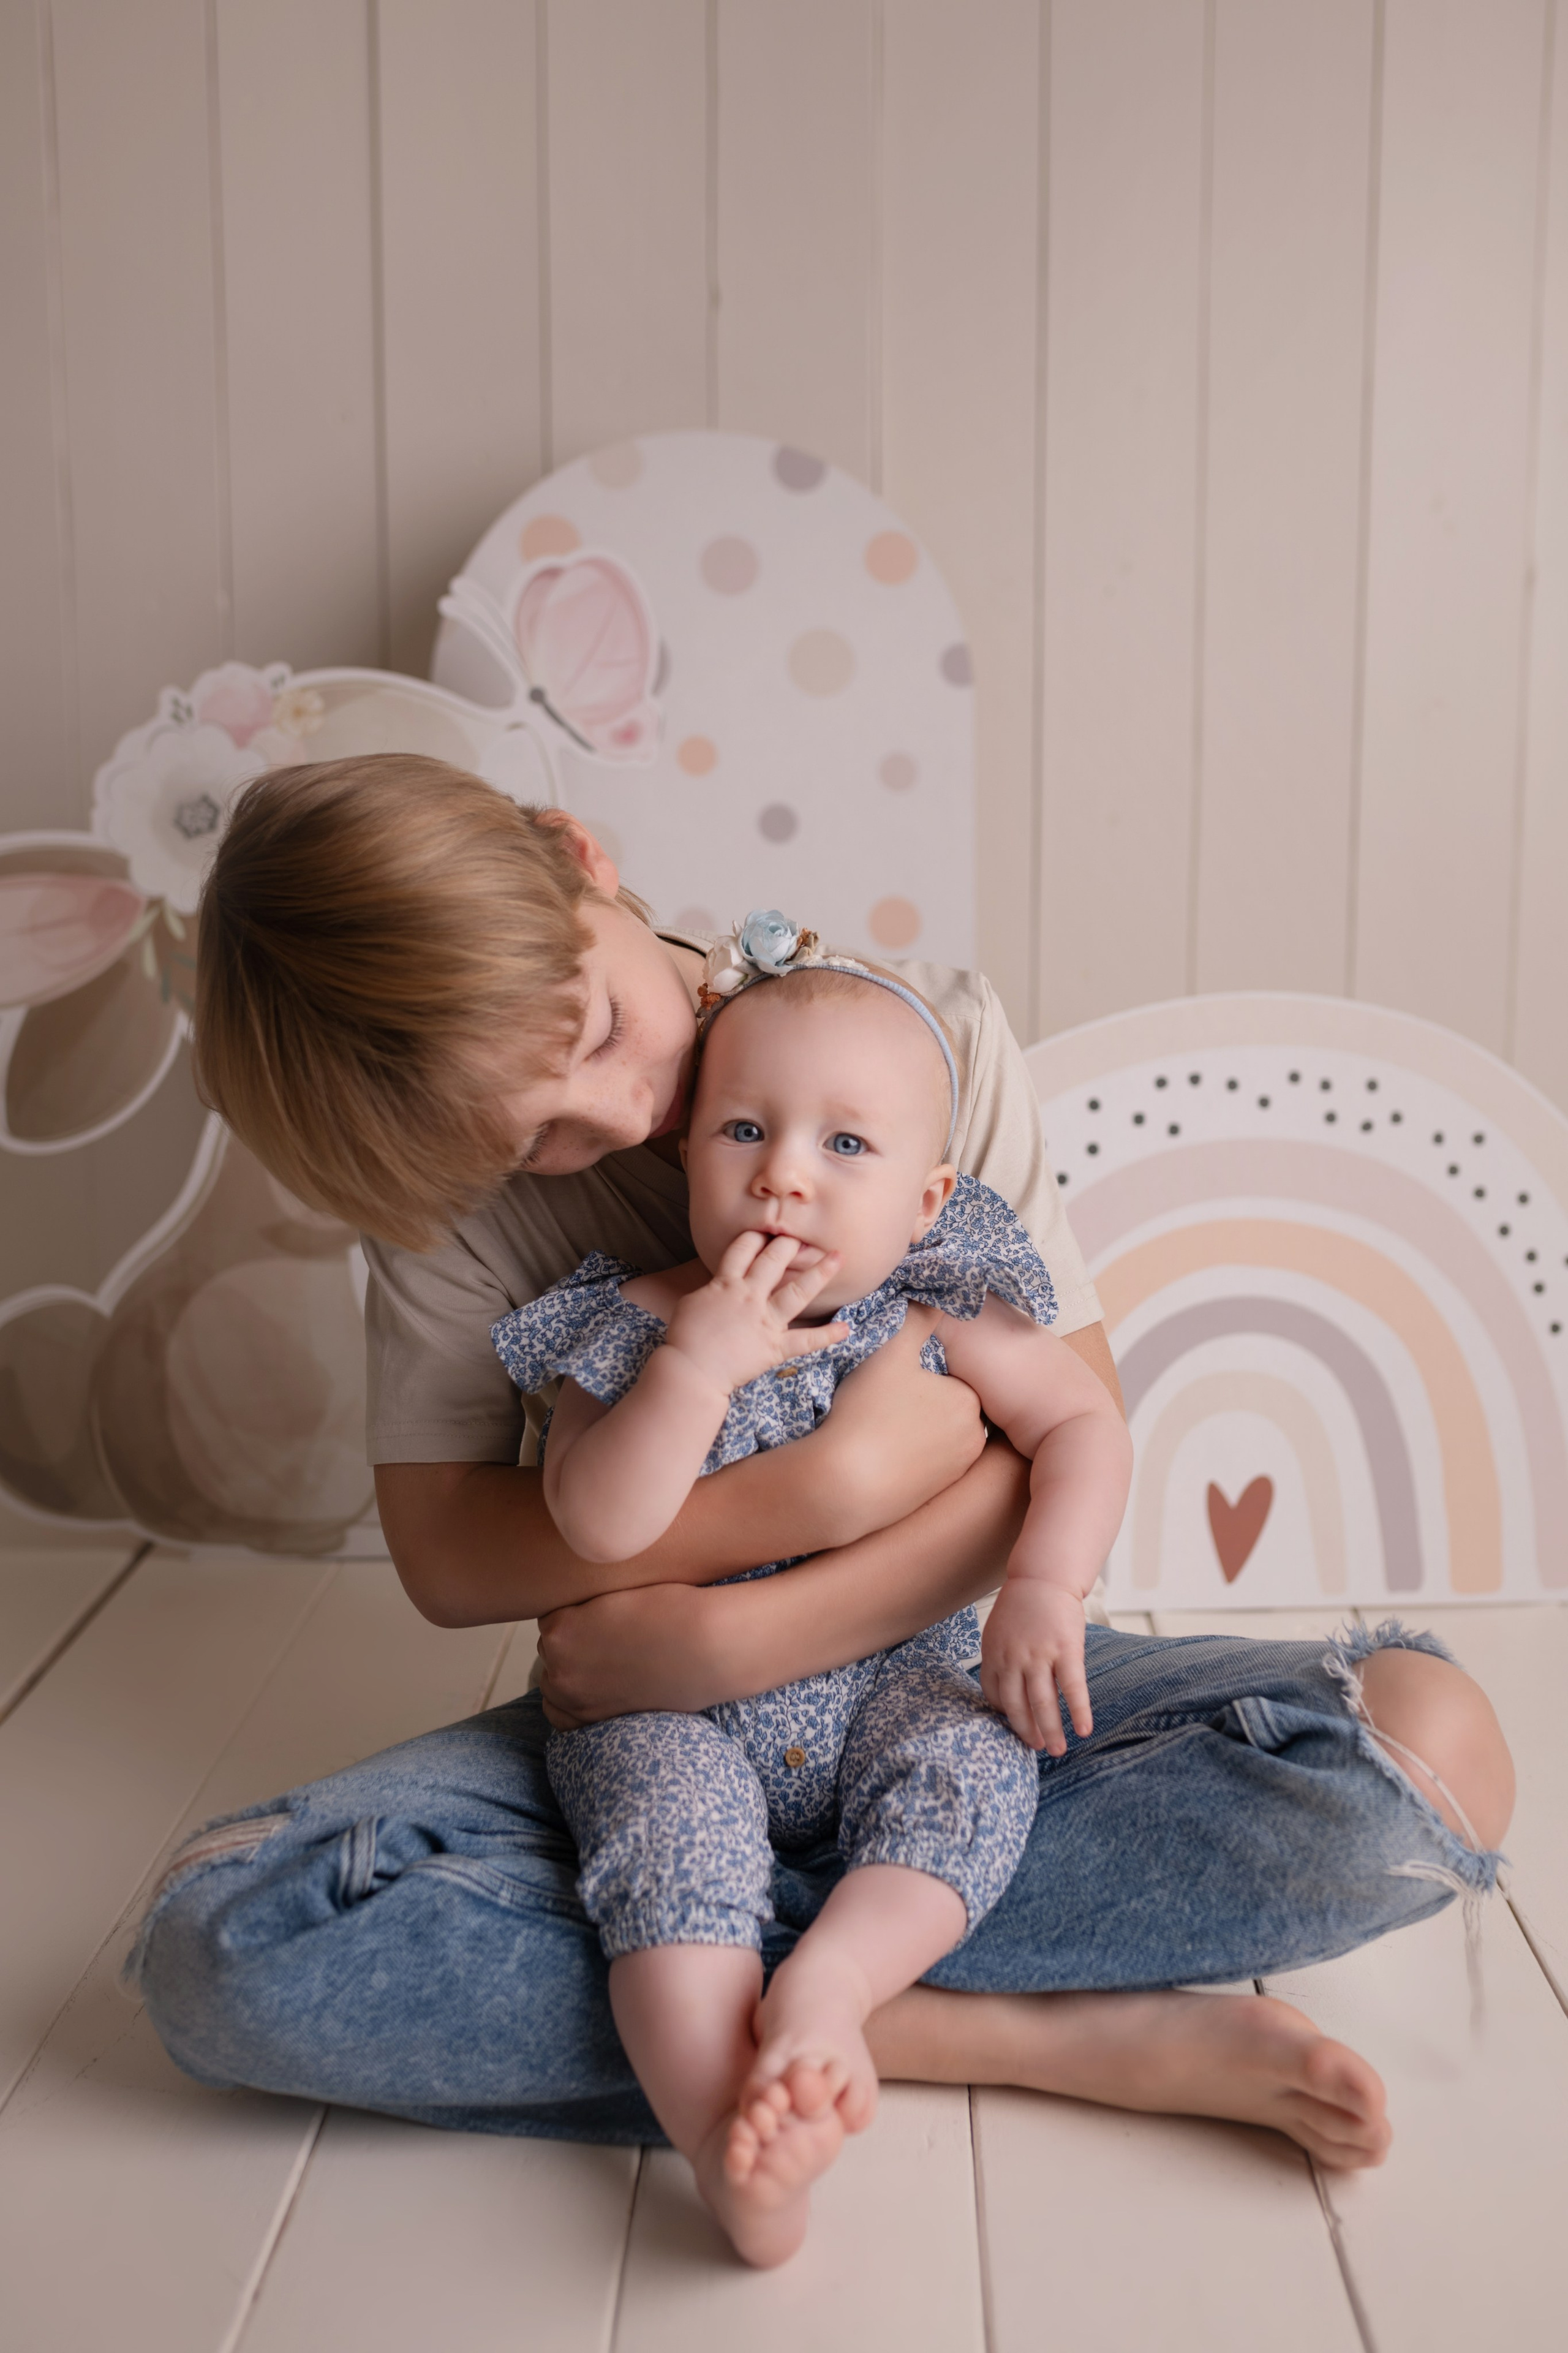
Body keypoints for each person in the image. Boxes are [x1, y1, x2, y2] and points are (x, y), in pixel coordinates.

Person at [132, 756, 1515, 2182]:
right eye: (532, 1137)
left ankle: (714, 1974)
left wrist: (753, 1613)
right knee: (229, 1952)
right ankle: (1000, 2029)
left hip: (921, 1677)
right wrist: (790, 1501)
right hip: (644, 1747)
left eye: (602, 1028)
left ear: (578, 855)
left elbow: (1072, 1419)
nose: (611, 1118)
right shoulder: (455, 1197)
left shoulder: (920, 1050)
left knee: (1425, 1749)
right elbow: (450, 1554)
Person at [495, 942, 1132, 2264]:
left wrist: (1043, 1584)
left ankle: (832, 1991)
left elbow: (1084, 1425)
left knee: (976, 1759)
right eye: (743, 1129)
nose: (784, 1170)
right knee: (660, 1860)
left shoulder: (945, 1312)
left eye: (845, 1142)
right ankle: (730, 2143)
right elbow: (596, 1522)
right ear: (688, 1166)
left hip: (895, 1676)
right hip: (673, 1711)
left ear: (925, 1197)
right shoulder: (630, 1322)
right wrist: (695, 1366)